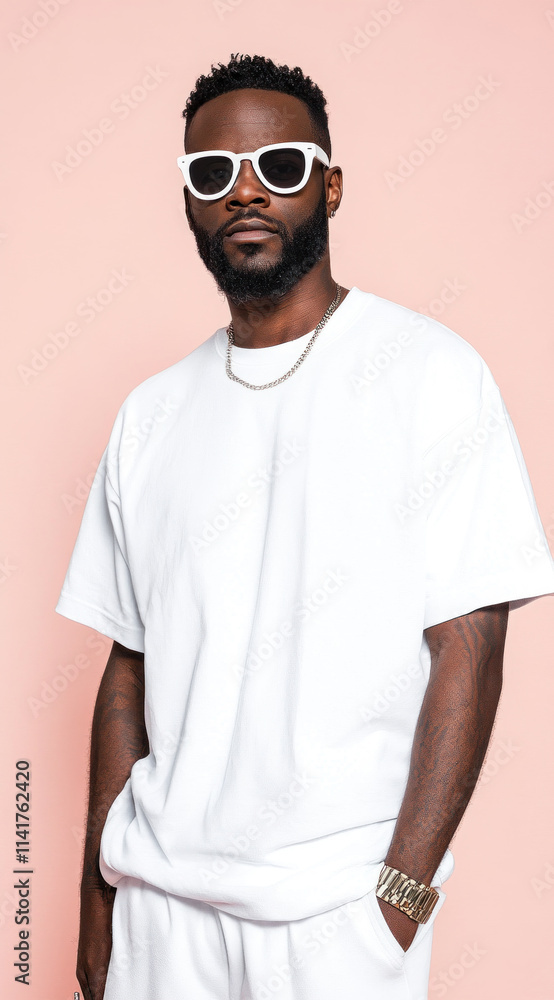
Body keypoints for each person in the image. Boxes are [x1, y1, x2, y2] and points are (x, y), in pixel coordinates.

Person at [55, 53, 554, 1000]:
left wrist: (398, 905)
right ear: (189, 202)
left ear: (330, 185)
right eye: (213, 173)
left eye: (280, 166)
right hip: (159, 916)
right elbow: (129, 665)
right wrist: (95, 903)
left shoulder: (431, 374)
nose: (245, 191)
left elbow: (470, 644)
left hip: (335, 919)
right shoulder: (149, 416)